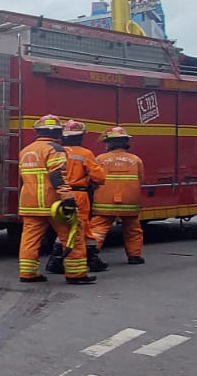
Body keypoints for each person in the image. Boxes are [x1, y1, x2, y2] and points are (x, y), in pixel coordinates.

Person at [18, 115, 92, 284]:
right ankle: (76, 274)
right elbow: (57, 175)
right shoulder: (55, 149)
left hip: (30, 203)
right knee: (73, 234)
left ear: (38, 131)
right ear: (59, 133)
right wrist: (67, 197)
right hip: (53, 203)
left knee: (30, 239)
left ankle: (28, 273)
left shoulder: (26, 150)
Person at [48, 119, 108, 274]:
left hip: (58, 194)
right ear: (81, 136)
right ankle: (77, 261)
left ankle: (58, 259)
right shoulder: (85, 153)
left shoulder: (56, 150)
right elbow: (100, 177)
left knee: (66, 227)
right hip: (78, 195)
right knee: (79, 226)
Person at [91, 126, 146, 265]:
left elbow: (94, 178)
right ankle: (135, 256)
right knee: (133, 229)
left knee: (98, 229)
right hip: (130, 202)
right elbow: (141, 178)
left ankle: (91, 254)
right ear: (126, 142)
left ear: (109, 143)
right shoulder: (136, 159)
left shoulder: (100, 159)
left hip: (104, 201)